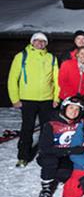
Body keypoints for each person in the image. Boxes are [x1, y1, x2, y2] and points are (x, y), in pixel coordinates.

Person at [8, 32, 59, 167]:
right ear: (32, 42)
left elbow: (57, 80)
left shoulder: (51, 58)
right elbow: (12, 79)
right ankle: (23, 156)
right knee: (27, 128)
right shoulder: (22, 56)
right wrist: (15, 98)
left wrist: (56, 97)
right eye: (37, 41)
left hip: (47, 99)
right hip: (28, 99)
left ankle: (45, 153)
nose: (40, 43)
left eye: (43, 41)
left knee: (46, 128)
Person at [37, 96, 84, 197]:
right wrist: (69, 150)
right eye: (71, 108)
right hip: (53, 155)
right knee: (50, 161)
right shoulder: (51, 124)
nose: (74, 112)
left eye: (77, 109)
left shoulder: (80, 123)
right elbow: (45, 148)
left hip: (68, 157)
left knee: (68, 174)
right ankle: (46, 187)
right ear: (64, 108)